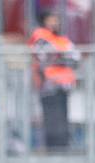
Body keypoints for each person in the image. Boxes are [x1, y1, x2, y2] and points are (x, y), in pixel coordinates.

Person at [28, 11, 79, 149]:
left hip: (64, 86)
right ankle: (53, 151)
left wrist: (60, 57)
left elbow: (75, 57)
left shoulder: (61, 39)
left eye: (56, 20)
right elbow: (45, 57)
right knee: (52, 121)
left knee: (63, 121)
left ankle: (62, 148)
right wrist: (62, 58)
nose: (55, 23)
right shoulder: (40, 35)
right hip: (48, 86)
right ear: (44, 21)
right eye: (51, 20)